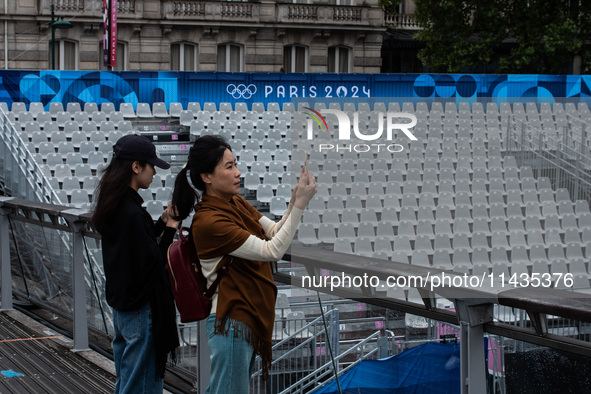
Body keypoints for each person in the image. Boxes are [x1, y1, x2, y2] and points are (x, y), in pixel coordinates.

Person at [171, 135, 317, 394]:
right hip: (231, 321)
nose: (238, 173)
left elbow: (272, 231)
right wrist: (300, 207)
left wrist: (295, 202)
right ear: (207, 177)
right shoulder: (209, 222)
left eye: (235, 164)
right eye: (229, 167)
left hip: (242, 319)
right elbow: (272, 250)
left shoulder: (233, 202)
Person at [91, 134, 180, 393]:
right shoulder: (130, 211)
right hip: (141, 310)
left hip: (123, 307)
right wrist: (172, 229)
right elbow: (152, 260)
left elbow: (137, 246)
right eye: (151, 165)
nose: (154, 172)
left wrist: (162, 223)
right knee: (140, 384)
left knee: (127, 380)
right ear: (136, 167)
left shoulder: (115, 204)